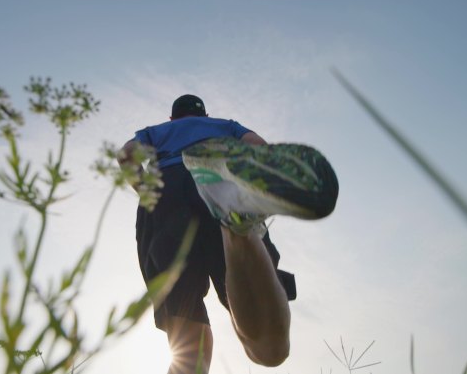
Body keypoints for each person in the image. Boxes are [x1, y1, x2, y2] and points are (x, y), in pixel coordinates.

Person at [119, 95, 338, 374]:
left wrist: (150, 194)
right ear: (205, 115)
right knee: (270, 351)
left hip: (168, 193)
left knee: (184, 319)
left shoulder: (156, 132)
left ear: (173, 118)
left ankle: (230, 210)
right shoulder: (225, 126)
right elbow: (259, 147)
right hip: (220, 177)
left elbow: (127, 155)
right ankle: (235, 220)